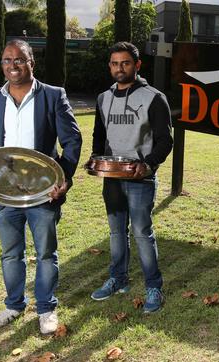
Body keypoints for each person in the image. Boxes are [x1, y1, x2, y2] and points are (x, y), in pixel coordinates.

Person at [0, 39, 82, 334]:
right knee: (10, 253)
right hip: (4, 190)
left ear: (31, 63)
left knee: (45, 253)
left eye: (19, 60)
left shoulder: (53, 95)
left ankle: (46, 309)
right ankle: (14, 306)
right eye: (6, 60)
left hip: (42, 191)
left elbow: (72, 140)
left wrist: (62, 178)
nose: (12, 66)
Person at [89, 42, 173, 314]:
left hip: (140, 179)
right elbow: (99, 136)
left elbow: (165, 141)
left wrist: (148, 166)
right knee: (116, 232)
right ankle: (119, 279)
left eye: (125, 63)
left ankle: (153, 287)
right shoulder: (104, 98)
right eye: (114, 63)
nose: (119, 68)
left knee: (141, 232)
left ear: (137, 65)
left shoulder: (153, 97)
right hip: (112, 177)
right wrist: (95, 158)